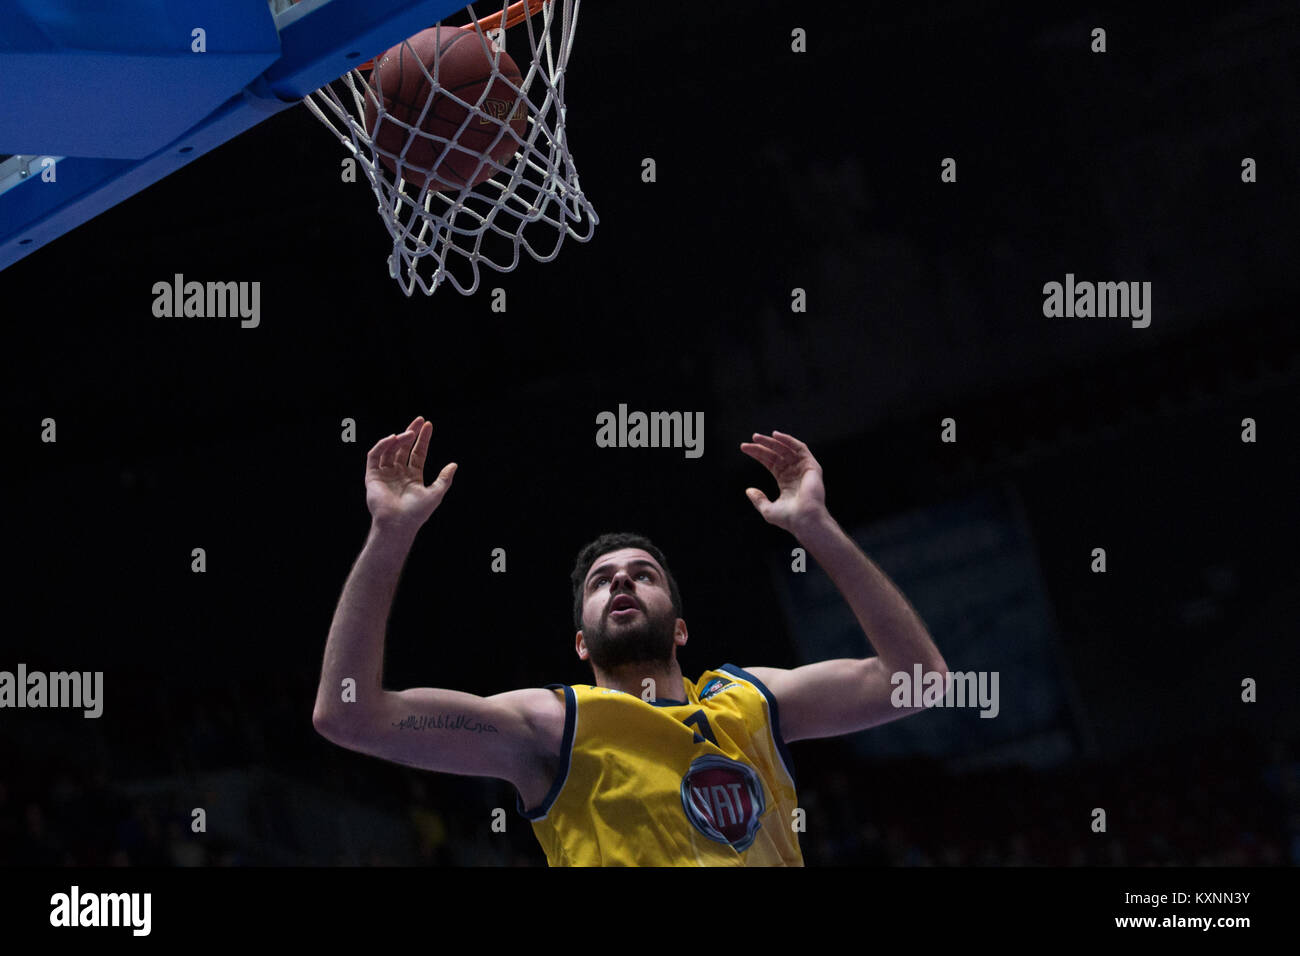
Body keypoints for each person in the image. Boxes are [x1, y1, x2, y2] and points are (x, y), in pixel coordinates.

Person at [312, 416, 947, 866]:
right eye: (601, 581)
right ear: (581, 643)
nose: (621, 581)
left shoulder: (750, 703)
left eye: (643, 574)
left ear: (680, 628)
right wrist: (389, 536)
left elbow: (917, 680)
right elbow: (349, 715)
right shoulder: (550, 727)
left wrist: (817, 527)